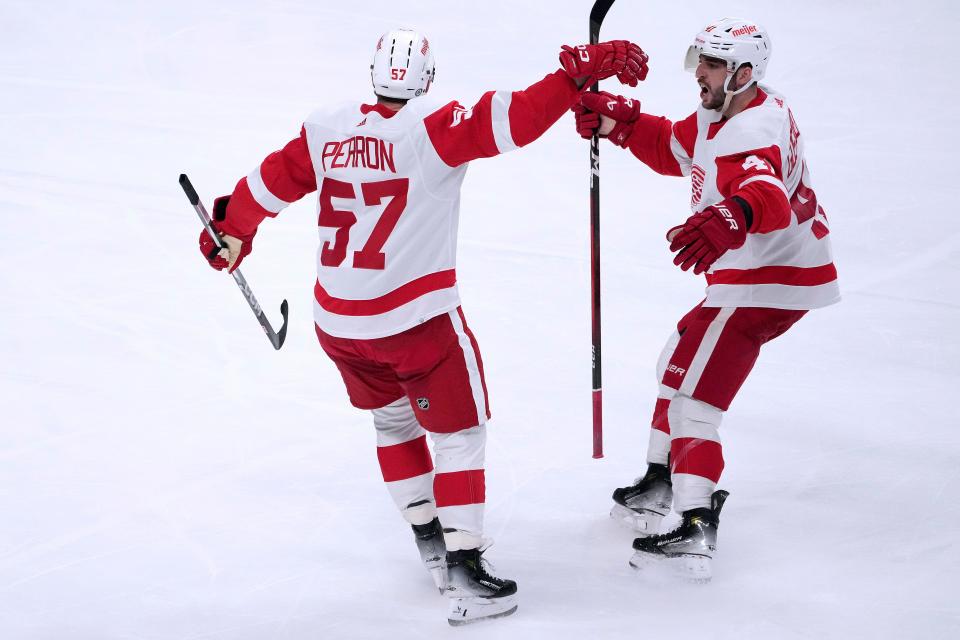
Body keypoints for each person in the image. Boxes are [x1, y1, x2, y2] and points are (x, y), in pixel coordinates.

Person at [197, 28, 647, 623]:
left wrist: (230, 227)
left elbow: (270, 181)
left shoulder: (326, 126)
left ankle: (430, 544)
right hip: (413, 321)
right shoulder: (432, 127)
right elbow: (517, 117)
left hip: (337, 321)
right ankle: (463, 567)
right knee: (461, 432)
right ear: (426, 79)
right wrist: (574, 75)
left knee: (392, 419)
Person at [573, 17, 839, 582]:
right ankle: (660, 477)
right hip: (762, 273)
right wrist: (623, 124)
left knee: (695, 398)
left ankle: (695, 522)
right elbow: (680, 147)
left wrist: (732, 215)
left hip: (763, 278)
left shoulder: (752, 129)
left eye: (714, 66)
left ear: (744, 72)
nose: (702, 74)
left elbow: (762, 190)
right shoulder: (733, 110)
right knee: (678, 364)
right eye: (702, 62)